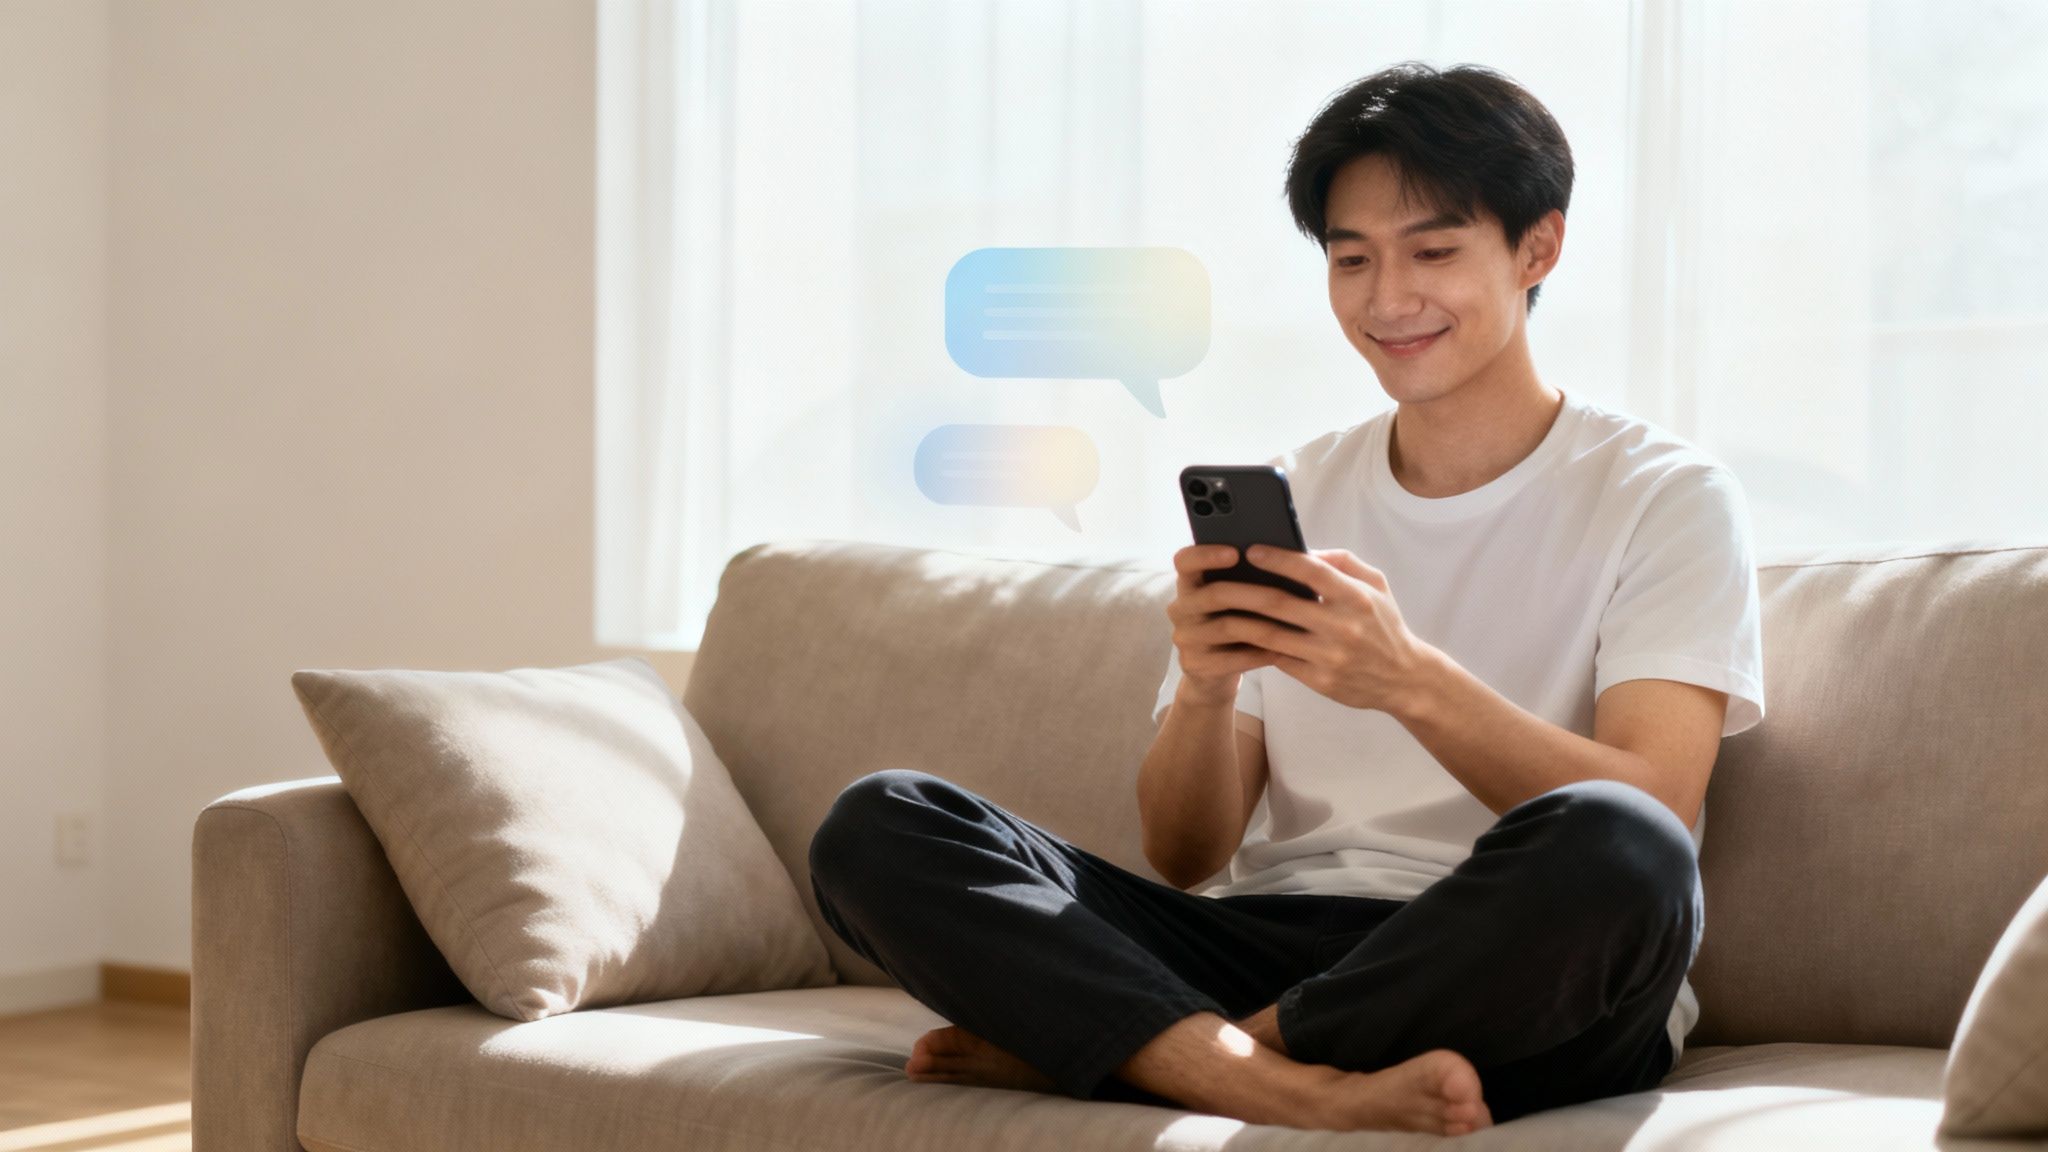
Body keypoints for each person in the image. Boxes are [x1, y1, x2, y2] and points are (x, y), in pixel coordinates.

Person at [808, 60, 1765, 1136]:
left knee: (1621, 845)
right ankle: (1266, 1079)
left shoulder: (1662, 496)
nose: (1386, 298)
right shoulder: (1299, 490)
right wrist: (1208, 693)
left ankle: (1155, 1051)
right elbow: (1183, 855)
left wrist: (1409, 683)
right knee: (880, 822)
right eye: (1350, 258)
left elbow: (1656, 802)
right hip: (1271, 934)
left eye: (1433, 251)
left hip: (1516, 969)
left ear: (1535, 247)